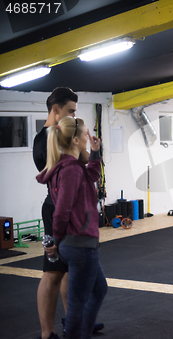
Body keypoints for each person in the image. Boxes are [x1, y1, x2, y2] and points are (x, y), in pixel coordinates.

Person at [36, 116, 108, 339]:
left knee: (98, 290)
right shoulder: (71, 170)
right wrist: (56, 242)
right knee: (78, 304)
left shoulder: (72, 167)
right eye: (86, 135)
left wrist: (95, 153)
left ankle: (82, 333)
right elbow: (62, 212)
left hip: (77, 244)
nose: (88, 139)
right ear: (76, 140)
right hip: (79, 245)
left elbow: (92, 175)